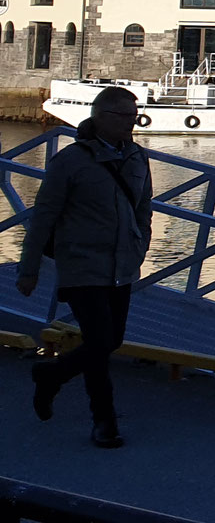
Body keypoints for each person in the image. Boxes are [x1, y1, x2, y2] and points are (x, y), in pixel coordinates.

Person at [14, 87, 151, 448]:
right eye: (124, 116)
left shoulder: (137, 158)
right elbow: (43, 218)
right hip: (81, 265)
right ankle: (104, 422)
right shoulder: (70, 161)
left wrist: (141, 247)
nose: (132, 122)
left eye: (134, 115)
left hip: (121, 266)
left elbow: (143, 210)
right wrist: (28, 269)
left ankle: (50, 374)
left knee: (110, 341)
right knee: (100, 340)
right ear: (100, 117)